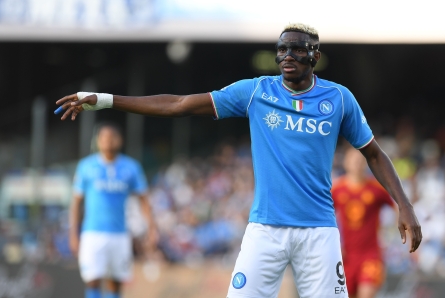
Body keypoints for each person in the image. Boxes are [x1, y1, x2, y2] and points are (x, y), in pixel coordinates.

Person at [56, 23, 422, 298]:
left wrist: (403, 205)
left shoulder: (339, 99)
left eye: (296, 50)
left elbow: (374, 153)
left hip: (318, 232)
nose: (287, 57)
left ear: (315, 55)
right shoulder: (256, 92)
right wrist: (104, 99)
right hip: (265, 230)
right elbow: (180, 104)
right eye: (281, 50)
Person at [69, 123, 157, 298]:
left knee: (115, 282)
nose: (108, 141)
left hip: (119, 234)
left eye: (112, 137)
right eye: (104, 137)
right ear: (98, 141)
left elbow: (144, 200)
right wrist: (73, 233)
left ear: (120, 140)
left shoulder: (131, 167)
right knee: (92, 279)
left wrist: (152, 228)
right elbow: (76, 203)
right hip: (92, 233)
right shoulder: (86, 167)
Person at [332, 147, 396, 298]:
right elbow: (326, 216)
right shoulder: (337, 189)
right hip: (346, 256)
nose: (356, 164)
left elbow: (398, 207)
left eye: (360, 160)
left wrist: (397, 234)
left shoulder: (376, 188)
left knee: (366, 294)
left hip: (370, 254)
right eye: (353, 160)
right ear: (346, 163)